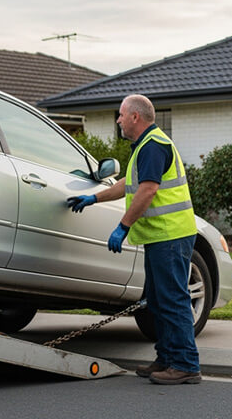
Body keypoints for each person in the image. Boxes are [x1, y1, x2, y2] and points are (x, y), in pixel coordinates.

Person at [66, 94, 201, 384]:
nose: (118, 120)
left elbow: (148, 190)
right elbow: (130, 185)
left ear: (135, 117)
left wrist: (123, 226)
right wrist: (94, 197)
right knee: (158, 300)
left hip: (170, 235)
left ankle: (186, 364)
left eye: (121, 115)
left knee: (173, 300)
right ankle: (166, 358)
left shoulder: (153, 146)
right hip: (163, 236)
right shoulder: (147, 145)